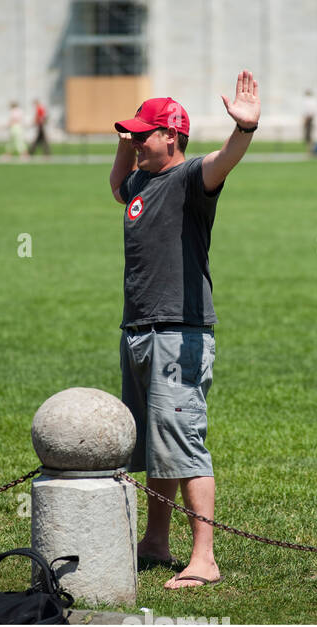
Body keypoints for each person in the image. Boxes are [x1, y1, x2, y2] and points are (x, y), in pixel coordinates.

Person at [111, 73, 261, 591]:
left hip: (180, 334)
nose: (134, 142)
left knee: (183, 441)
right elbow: (116, 188)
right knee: (157, 445)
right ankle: (155, 541)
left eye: (142, 135)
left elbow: (225, 161)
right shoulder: (139, 183)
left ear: (170, 136)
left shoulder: (192, 179)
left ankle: (205, 558)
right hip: (138, 329)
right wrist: (125, 147)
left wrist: (245, 128)